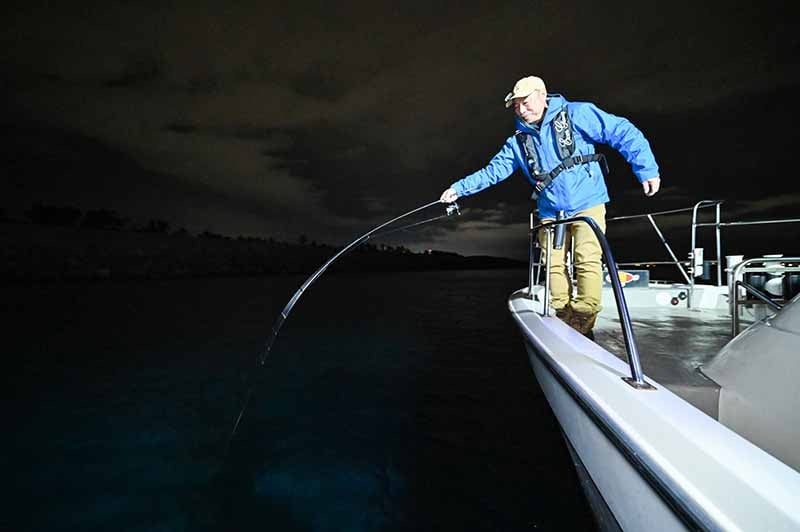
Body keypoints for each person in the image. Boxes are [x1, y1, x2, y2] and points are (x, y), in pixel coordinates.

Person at [440, 76, 660, 337]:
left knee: (586, 259)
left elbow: (622, 131)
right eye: (516, 105)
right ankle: (563, 316)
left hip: (587, 201)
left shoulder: (578, 113)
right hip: (551, 210)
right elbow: (493, 171)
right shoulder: (518, 142)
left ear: (543, 95)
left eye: (526, 101)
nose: (522, 109)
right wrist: (458, 189)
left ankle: (584, 319)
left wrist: (646, 169)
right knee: (553, 264)